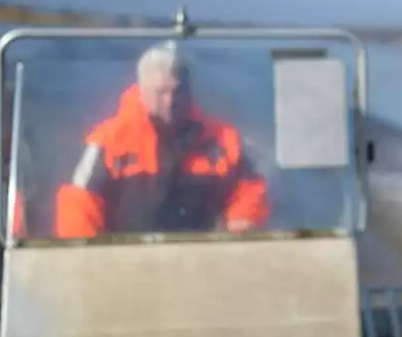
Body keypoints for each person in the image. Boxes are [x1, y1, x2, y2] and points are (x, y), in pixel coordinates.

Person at [50, 41, 270, 238]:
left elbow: (252, 191)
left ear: (190, 90)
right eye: (161, 92)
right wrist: (89, 260)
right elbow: (77, 205)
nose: (170, 100)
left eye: (178, 91)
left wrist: (238, 234)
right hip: (124, 265)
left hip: (204, 263)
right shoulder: (107, 143)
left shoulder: (223, 141)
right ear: (142, 90)